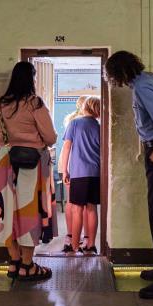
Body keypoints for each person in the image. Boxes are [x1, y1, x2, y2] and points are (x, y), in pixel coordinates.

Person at [104, 51, 153, 299]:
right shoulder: (146, 80)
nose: (112, 80)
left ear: (120, 71)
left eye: (112, 74)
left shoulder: (143, 87)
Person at [0, 61, 57, 282]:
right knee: (29, 212)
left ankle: (13, 262)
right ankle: (28, 266)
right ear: (31, 79)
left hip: (4, 161)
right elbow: (51, 138)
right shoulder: (34, 104)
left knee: (6, 210)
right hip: (31, 164)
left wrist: (8, 143)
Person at [60, 95, 102, 255]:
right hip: (96, 173)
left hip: (79, 173)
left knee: (77, 209)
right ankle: (91, 245)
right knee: (92, 209)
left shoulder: (75, 123)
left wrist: (65, 170)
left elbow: (66, 148)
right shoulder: (99, 127)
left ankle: (75, 245)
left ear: (85, 107)